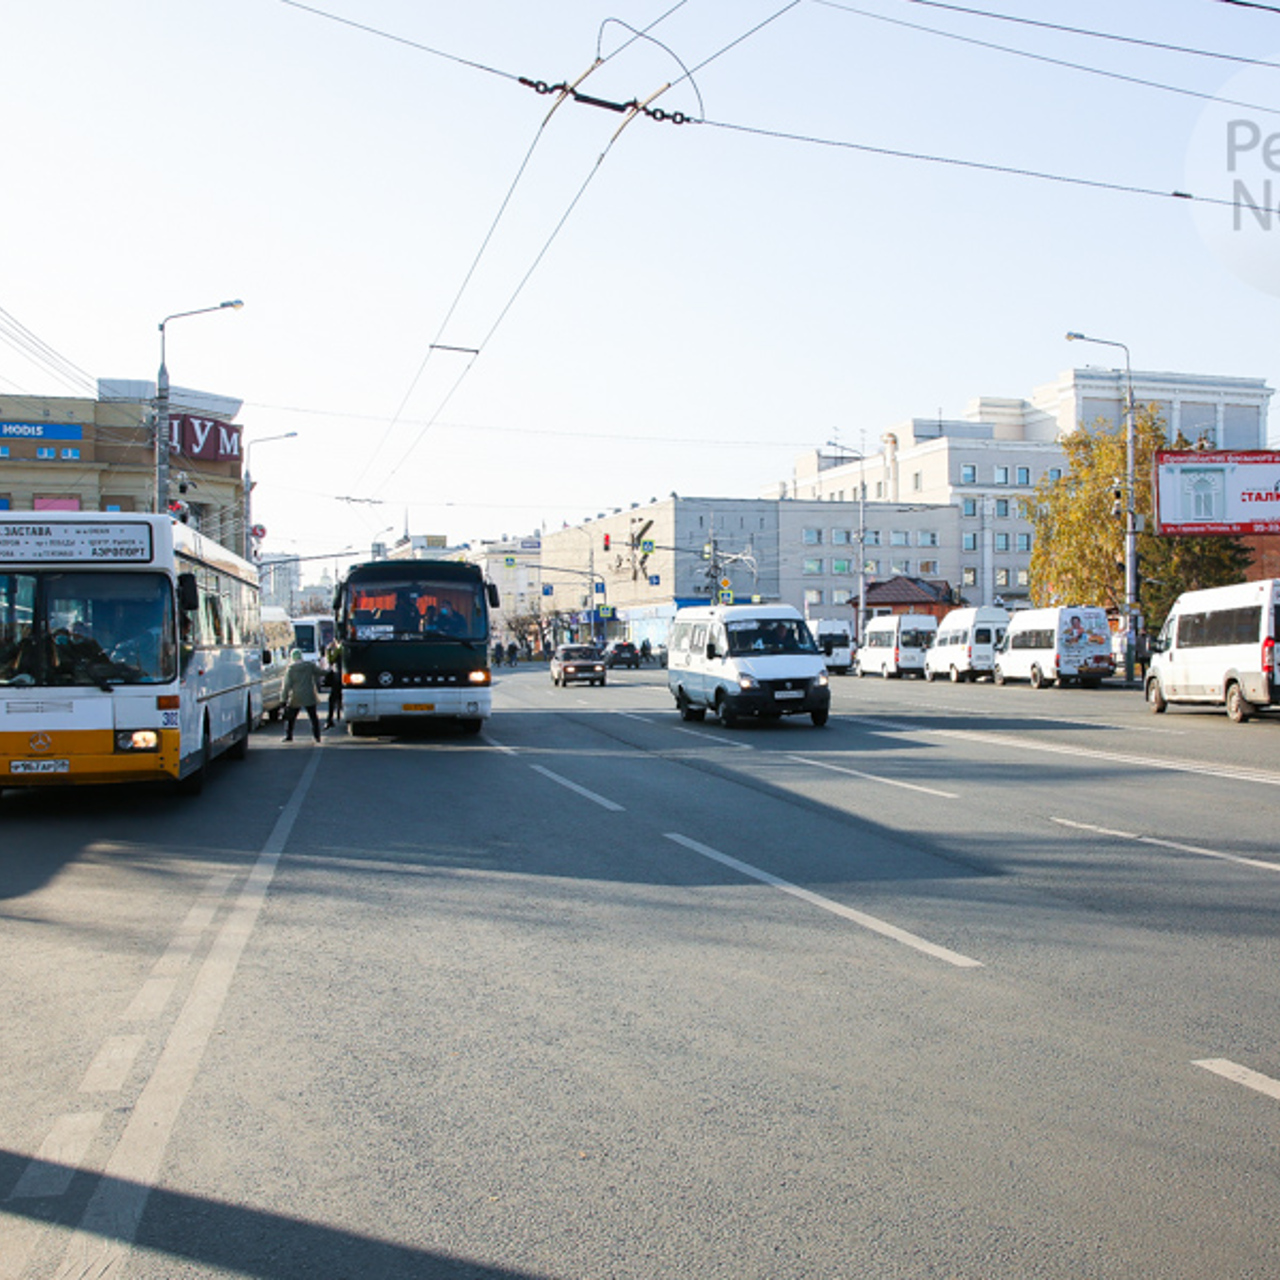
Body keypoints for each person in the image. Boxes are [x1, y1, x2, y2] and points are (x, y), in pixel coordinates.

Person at [282, 647, 322, 743]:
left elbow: (286, 685)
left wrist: (283, 699)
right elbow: (321, 672)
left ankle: (289, 735)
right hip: (309, 695)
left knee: (291, 718)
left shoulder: (290, 669)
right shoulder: (309, 666)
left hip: (296, 696)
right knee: (313, 717)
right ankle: (317, 736)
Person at [324, 644, 343, 730]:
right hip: (343, 677)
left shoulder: (339, 648)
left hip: (338, 678)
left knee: (332, 699)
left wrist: (328, 650)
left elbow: (330, 660)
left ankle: (329, 720)